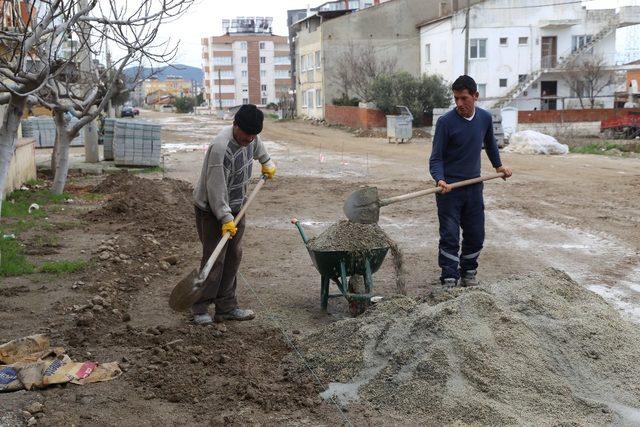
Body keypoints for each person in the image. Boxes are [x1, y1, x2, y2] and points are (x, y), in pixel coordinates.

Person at [191, 104, 276, 324]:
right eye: (246, 134)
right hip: (211, 209)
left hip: (237, 205)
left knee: (233, 255)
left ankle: (226, 307)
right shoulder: (221, 147)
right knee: (214, 258)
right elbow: (215, 189)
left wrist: (266, 162)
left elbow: (257, 146)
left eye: (253, 134)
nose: (249, 139)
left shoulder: (251, 137)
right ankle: (200, 308)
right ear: (235, 125)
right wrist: (225, 218)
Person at [428, 75, 512, 288]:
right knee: (450, 236)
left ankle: (468, 272)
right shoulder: (445, 122)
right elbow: (436, 157)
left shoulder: (484, 118)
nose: (459, 104)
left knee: (476, 234)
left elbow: (490, 144)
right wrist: (440, 179)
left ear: (475, 96)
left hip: (474, 188)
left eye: (464, 98)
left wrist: (498, 166)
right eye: (456, 98)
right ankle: (449, 277)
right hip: (449, 190)